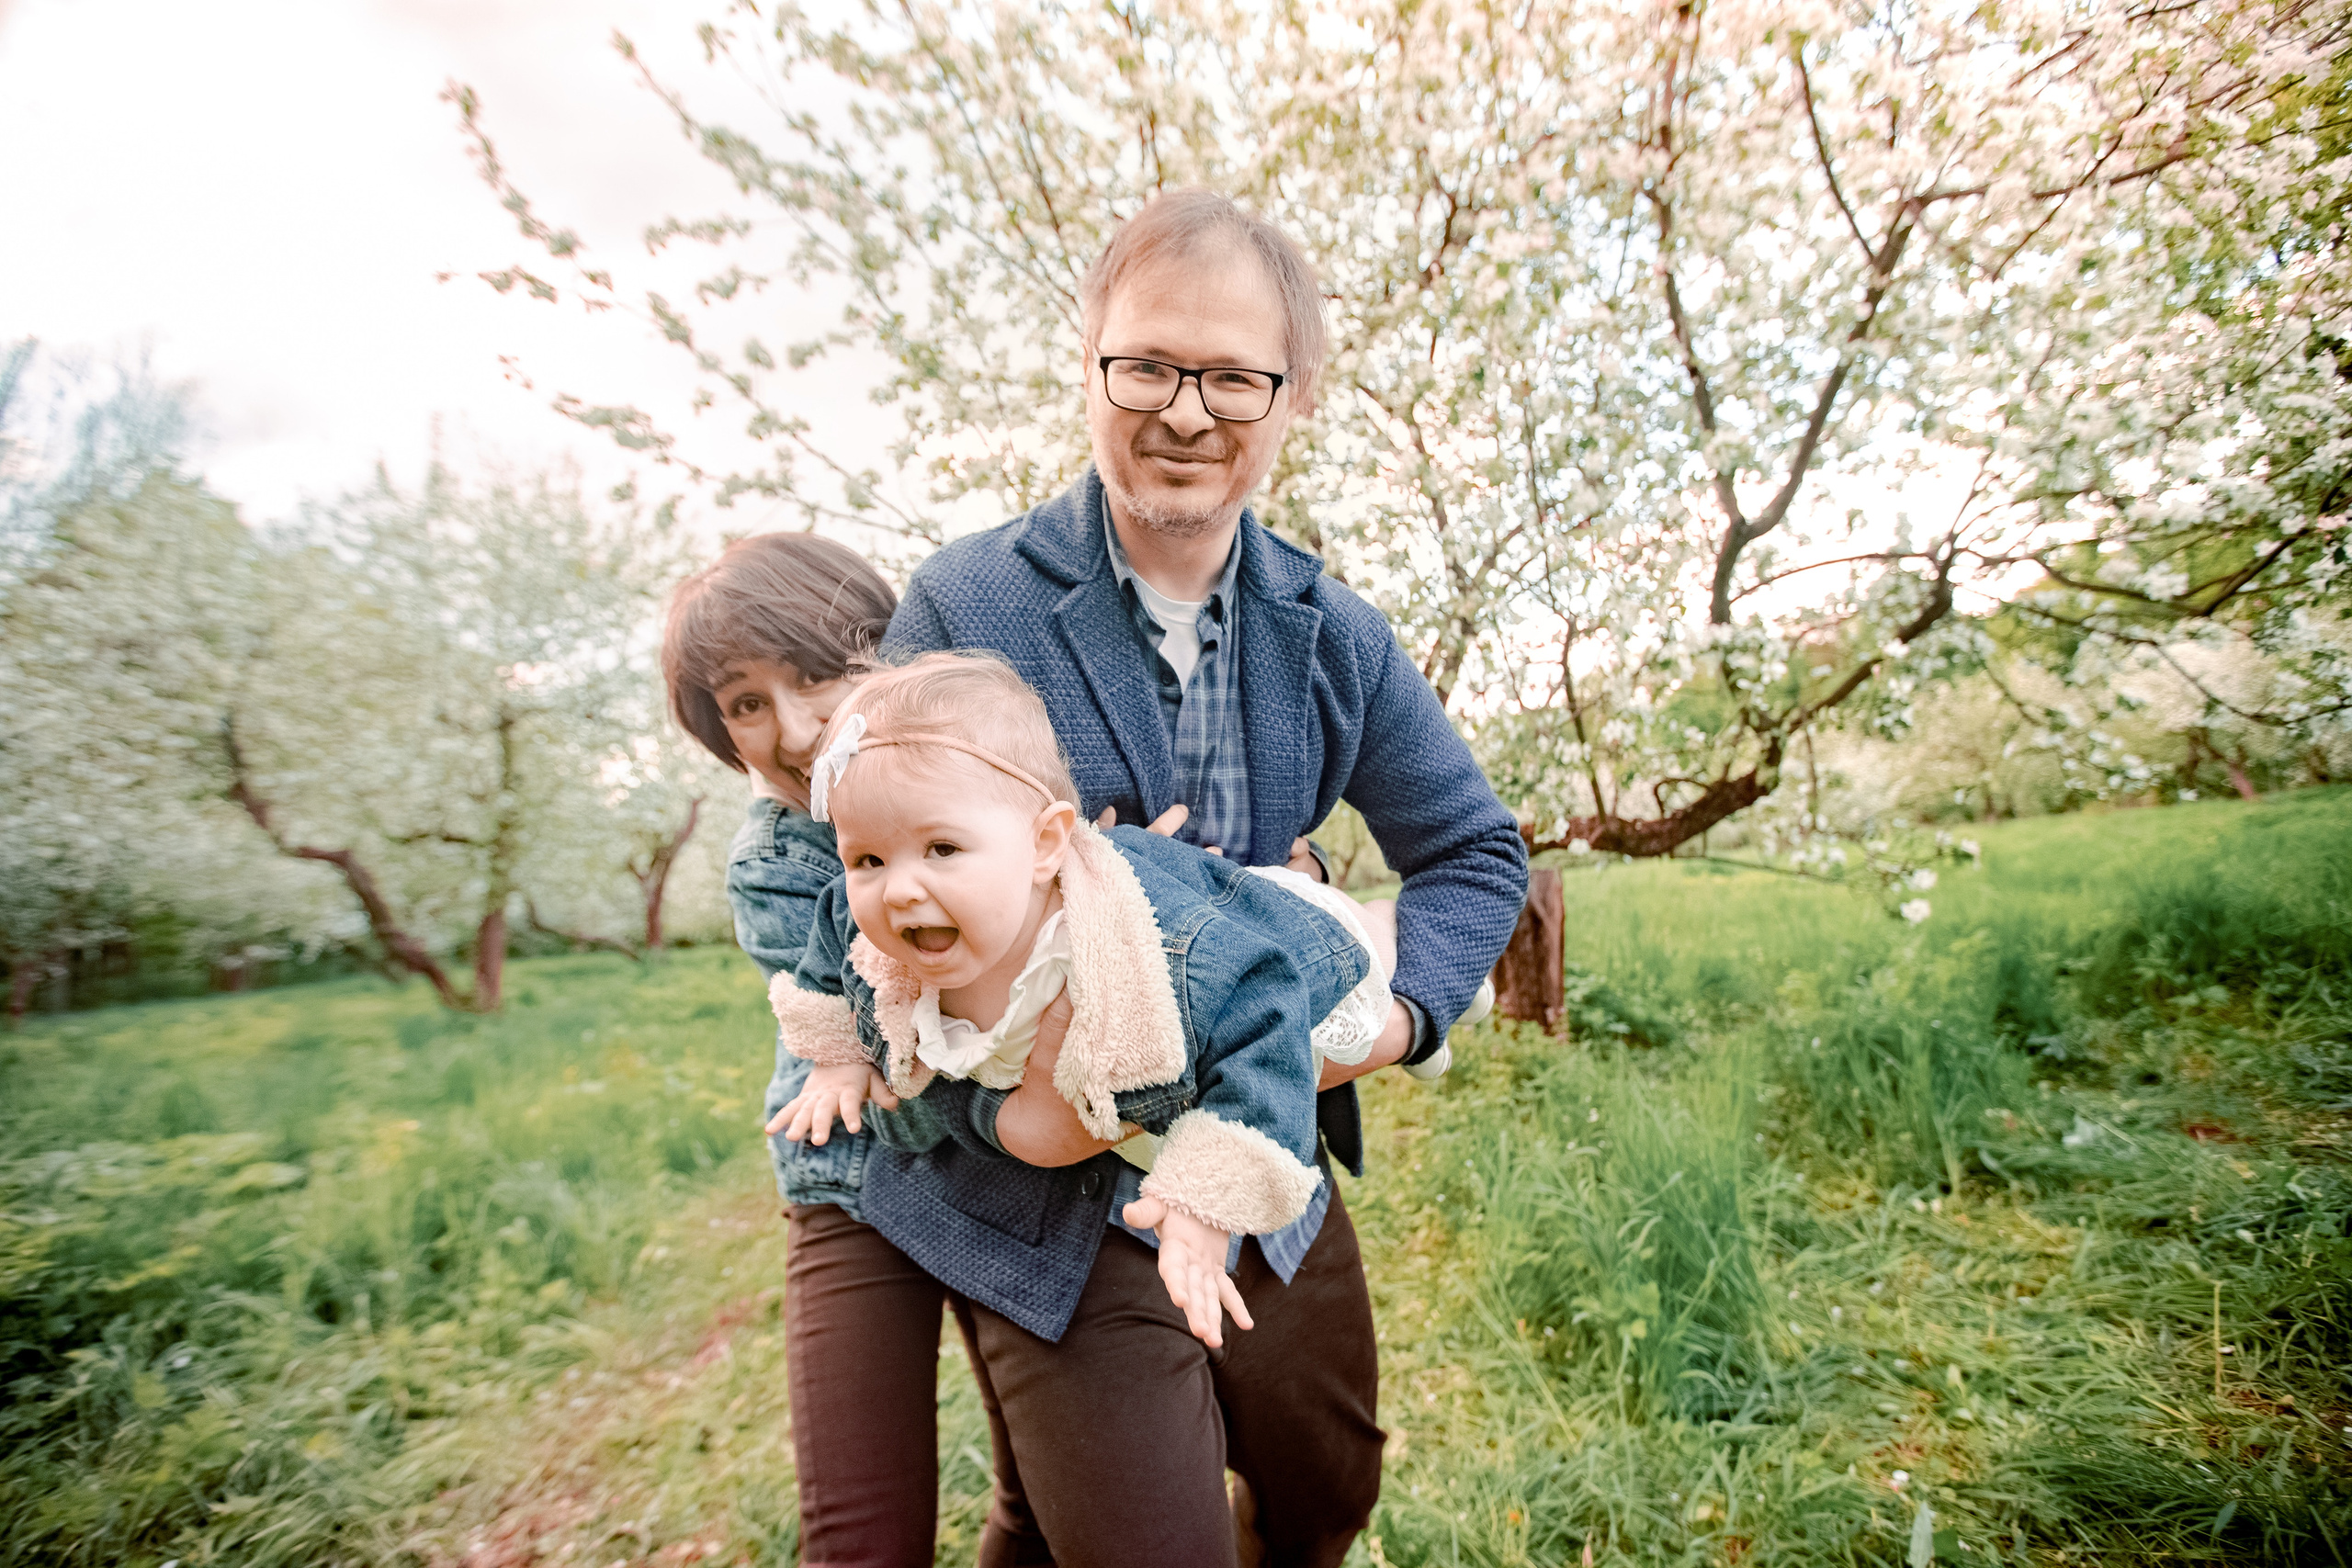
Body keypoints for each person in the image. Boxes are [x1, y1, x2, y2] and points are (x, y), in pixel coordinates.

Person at [873, 188, 1531, 1566]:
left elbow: (1477, 850)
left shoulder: (1329, 631)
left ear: (1292, 402)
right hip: (1052, 1190)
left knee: (1326, 1488)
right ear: (1093, 365)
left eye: (1234, 375)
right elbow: (860, 866)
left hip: (1256, 1136)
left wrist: (1398, 1017)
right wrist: (1050, 973)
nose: (1186, 412)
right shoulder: (967, 603)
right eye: (1150, 365)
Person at [763, 653, 1393, 1345]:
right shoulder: (871, 932)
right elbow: (831, 941)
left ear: (1043, 844)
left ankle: (1395, 936)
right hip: (1117, 1097)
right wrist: (838, 1056)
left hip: (1289, 948)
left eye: (941, 847)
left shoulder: (1160, 953)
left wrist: (1211, 1203)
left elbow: (1265, 1008)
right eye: (868, 860)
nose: (899, 888)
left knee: (1359, 986)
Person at [661, 536, 1050, 1568]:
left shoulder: (988, 786)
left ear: (890, 649)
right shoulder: (773, 865)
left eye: (820, 673)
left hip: (1002, 1173)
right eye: (744, 703)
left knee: (1042, 1500)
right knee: (861, 1539)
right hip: (852, 1176)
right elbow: (890, 1036)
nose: (793, 729)